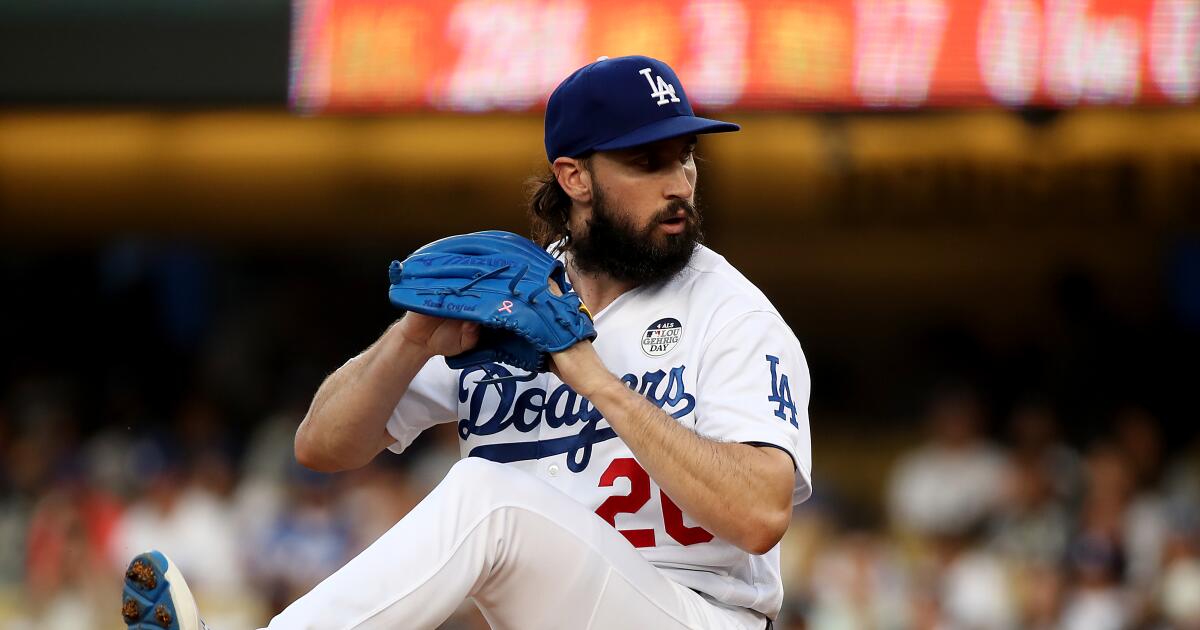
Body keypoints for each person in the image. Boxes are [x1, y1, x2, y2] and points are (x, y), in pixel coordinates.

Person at [121, 54, 813, 630]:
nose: (678, 185)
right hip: (547, 614)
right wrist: (414, 339)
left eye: (685, 159)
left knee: (489, 494)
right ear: (575, 177)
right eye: (647, 162)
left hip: (696, 612)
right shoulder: (514, 297)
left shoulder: (730, 312)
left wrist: (598, 382)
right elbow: (321, 447)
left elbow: (760, 515)